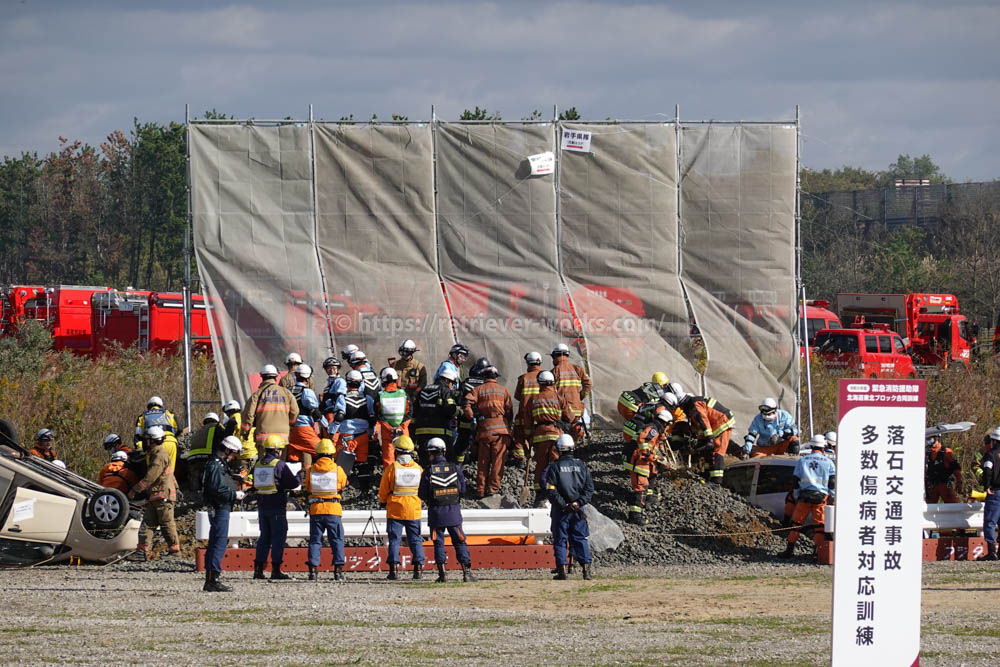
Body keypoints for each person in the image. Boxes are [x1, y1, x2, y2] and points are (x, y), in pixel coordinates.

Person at [418, 437, 475, 582]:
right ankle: (466, 573)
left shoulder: (428, 471)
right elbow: (462, 490)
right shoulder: (455, 468)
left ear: (430, 453)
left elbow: (422, 494)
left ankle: (442, 574)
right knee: (460, 541)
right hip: (454, 514)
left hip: (436, 514)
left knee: (438, 543)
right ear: (444, 451)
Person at [543, 434, 594, 580]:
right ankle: (586, 570)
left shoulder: (554, 467)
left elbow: (551, 490)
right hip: (578, 510)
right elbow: (589, 489)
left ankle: (562, 571)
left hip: (561, 510)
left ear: (559, 449)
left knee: (560, 539)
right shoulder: (582, 466)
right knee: (580, 538)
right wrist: (578, 503)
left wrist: (564, 505)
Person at [252, 435, 300, 580]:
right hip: (277, 506)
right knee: (278, 538)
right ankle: (276, 570)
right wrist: (298, 475)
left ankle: (258, 570)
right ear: (278, 450)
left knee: (264, 538)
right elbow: (292, 483)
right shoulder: (279, 465)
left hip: (262, 506)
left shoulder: (258, 464)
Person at [779, 435, 836, 559]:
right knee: (820, 527)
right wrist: (831, 496)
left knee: (796, 524)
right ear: (824, 447)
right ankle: (817, 552)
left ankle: (789, 550)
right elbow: (832, 483)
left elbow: (795, 481)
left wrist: (797, 495)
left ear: (811, 446)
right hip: (820, 499)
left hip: (804, 498)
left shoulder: (802, 461)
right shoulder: (829, 463)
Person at [129, 425, 180, 560]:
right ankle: (142, 552)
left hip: (162, 496)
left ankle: (174, 552)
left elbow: (150, 477)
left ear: (152, 441)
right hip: (157, 495)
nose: (145, 443)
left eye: (146, 440)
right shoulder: (156, 454)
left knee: (167, 523)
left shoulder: (159, 456)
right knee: (148, 523)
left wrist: (135, 490)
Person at [201, 435, 245, 592]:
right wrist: (234, 495)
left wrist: (233, 478)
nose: (233, 457)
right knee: (218, 543)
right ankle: (213, 579)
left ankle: (211, 579)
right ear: (226, 450)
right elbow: (216, 488)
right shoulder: (215, 465)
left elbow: (219, 482)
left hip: (220, 507)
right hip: (219, 507)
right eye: (233, 453)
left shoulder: (219, 465)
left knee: (216, 542)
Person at [463, 364, 513, 498]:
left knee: (483, 462)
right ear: (496, 377)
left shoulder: (478, 390)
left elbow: (467, 402)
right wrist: (508, 426)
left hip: (485, 431)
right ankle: (493, 489)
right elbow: (509, 411)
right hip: (501, 432)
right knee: (498, 462)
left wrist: (470, 415)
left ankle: (480, 490)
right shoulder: (504, 390)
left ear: (484, 376)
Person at [378, 436, 425, 580]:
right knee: (415, 539)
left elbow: (383, 489)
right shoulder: (419, 469)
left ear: (397, 452)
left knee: (394, 540)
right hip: (413, 509)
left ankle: (393, 570)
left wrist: (382, 501)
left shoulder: (392, 468)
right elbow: (423, 489)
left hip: (395, 509)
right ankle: (418, 569)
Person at [526, 370, 575, 504]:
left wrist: (529, 436)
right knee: (555, 465)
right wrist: (564, 423)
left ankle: (540, 495)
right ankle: (556, 491)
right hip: (556, 435)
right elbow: (570, 417)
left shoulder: (534, 398)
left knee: (540, 465)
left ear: (539, 383)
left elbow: (528, 421)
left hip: (540, 435)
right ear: (553, 382)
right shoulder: (559, 397)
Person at [304, 438, 349, 581]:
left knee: (315, 541)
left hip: (316, 509)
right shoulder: (338, 469)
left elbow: (308, 487)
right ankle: (338, 570)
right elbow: (343, 484)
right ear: (332, 454)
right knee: (336, 539)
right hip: (333, 509)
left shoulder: (311, 470)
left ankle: (313, 570)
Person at [665, 391, 735, 484]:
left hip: (722, 423)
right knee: (707, 452)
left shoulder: (695, 404)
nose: (681, 409)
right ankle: (707, 475)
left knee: (717, 452)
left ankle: (716, 482)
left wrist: (709, 438)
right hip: (714, 424)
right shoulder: (692, 405)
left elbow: (703, 420)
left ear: (682, 403)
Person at [331, 370, 376, 492]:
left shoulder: (342, 397)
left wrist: (331, 433)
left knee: (342, 465)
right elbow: (372, 418)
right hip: (363, 436)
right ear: (361, 382)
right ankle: (365, 492)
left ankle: (337, 490)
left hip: (347, 436)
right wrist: (372, 433)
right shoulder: (368, 398)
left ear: (347, 383)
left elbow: (339, 416)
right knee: (362, 463)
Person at [627, 412, 672, 525]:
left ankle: (646, 503)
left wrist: (659, 459)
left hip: (645, 463)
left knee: (648, 483)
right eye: (666, 425)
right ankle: (635, 516)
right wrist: (654, 457)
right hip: (640, 463)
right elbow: (643, 443)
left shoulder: (656, 430)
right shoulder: (652, 430)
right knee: (640, 489)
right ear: (664, 422)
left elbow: (653, 447)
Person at [241, 364, 299, 450]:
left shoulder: (257, 394)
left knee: (265, 462)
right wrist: (289, 424)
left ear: (262, 377)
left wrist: (245, 432)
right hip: (283, 437)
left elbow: (248, 415)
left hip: (263, 438)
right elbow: (295, 412)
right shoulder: (287, 393)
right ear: (276, 377)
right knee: (280, 462)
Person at [413, 367, 461, 466]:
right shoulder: (444, 390)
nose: (452, 386)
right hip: (440, 432)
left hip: (422, 433)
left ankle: (425, 479)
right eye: (452, 383)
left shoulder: (424, 389)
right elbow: (450, 409)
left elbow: (415, 410)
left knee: (425, 461)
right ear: (447, 380)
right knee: (449, 460)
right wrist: (459, 412)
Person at [550, 343, 592, 441]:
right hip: (577, 409)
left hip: (562, 412)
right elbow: (588, 385)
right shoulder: (577, 369)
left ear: (555, 355)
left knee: (563, 438)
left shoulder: (554, 372)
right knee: (576, 436)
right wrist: (579, 397)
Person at [454, 357, 490, 464]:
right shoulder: (487, 384)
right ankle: (477, 458)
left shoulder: (466, 382)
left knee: (462, 440)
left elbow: (458, 399)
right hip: (482, 417)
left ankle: (459, 463)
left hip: (466, 417)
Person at [374, 367, 411, 469]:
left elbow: (379, 415)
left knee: (388, 459)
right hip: (402, 432)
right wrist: (401, 427)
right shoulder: (404, 394)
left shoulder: (380, 395)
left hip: (388, 433)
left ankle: (390, 479)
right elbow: (409, 413)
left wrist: (390, 428)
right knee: (405, 455)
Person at [288, 364, 322, 469]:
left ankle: (295, 481)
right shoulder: (307, 392)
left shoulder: (288, 390)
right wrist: (328, 427)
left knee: (293, 458)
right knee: (323, 450)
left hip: (290, 429)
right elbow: (316, 413)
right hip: (304, 428)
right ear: (307, 378)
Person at [512, 351, 543, 463]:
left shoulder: (523, 378)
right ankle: (537, 457)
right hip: (540, 414)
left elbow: (517, 396)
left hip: (524, 414)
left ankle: (520, 458)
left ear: (528, 363)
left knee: (519, 436)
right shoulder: (546, 377)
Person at [182, 412, 224, 493]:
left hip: (192, 459)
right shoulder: (217, 427)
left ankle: (194, 494)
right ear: (216, 421)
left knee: (195, 482)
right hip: (207, 457)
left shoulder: (198, 431)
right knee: (208, 481)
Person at [977, 427, 1000, 561]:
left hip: (995, 491)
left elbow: (987, 470)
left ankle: (992, 552)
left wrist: (987, 486)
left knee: (990, 522)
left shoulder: (990, 455)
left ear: (994, 441)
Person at [925, 433, 963, 504]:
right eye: (927, 438)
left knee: (952, 506)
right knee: (928, 507)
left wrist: (959, 482)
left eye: (930, 438)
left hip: (945, 484)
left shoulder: (946, 452)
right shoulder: (927, 453)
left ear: (936, 438)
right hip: (932, 484)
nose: (928, 440)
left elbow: (956, 468)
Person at [394, 339, 428, 404]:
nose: (404, 354)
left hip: (413, 401)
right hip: (397, 401)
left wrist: (415, 395)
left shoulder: (420, 367)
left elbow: (423, 384)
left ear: (412, 352)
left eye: (406, 352)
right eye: (402, 352)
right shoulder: (394, 366)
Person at [319, 356, 346, 437]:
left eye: (334, 368)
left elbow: (341, 397)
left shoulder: (340, 381)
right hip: (326, 414)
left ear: (338, 369)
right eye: (329, 368)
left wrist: (339, 413)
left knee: (332, 438)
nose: (331, 370)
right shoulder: (329, 382)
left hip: (333, 414)